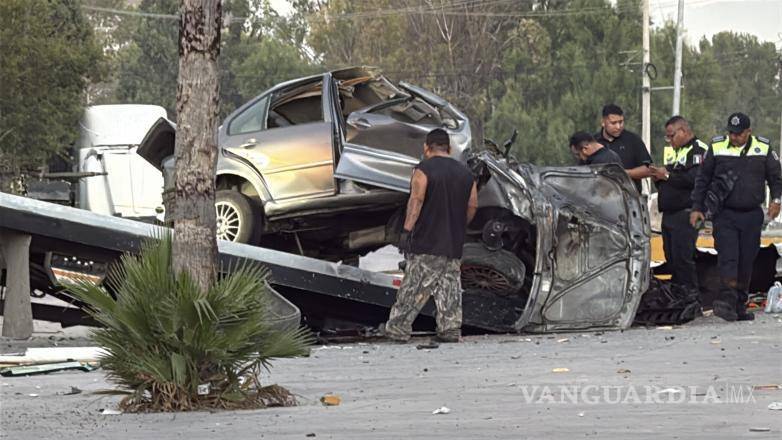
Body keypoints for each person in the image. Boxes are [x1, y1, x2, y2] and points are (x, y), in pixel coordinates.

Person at [380, 128, 478, 343]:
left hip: (427, 240)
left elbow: (416, 201)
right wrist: (459, 225)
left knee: (414, 286)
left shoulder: (423, 170)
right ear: (449, 148)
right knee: (449, 286)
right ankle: (450, 329)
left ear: (426, 147)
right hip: (453, 242)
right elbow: (472, 205)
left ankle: (398, 328)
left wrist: (406, 231)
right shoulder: (466, 174)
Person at [690, 112, 782, 321]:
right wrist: (697, 207)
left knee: (746, 261)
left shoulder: (763, 147)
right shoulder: (717, 147)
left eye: (739, 134)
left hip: (752, 215)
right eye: (731, 133)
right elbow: (702, 179)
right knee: (728, 259)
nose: (734, 137)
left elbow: (776, 178)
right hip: (725, 215)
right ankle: (727, 302)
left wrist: (777, 200)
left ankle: (740, 304)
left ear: (749, 132)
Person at [650, 116, 707, 296]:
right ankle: (677, 296)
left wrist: (666, 176)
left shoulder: (699, 150)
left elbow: (695, 179)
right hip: (670, 213)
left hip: (688, 212)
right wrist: (659, 177)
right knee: (671, 258)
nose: (669, 140)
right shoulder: (676, 151)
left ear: (683, 131)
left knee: (683, 257)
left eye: (671, 135)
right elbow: (672, 179)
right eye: (667, 137)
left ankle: (691, 297)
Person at [596, 104, 654, 193]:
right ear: (603, 122)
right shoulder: (594, 142)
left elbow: (649, 169)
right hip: (600, 197)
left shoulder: (633, 140)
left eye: (621, 122)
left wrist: (623, 173)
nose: (618, 127)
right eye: (613, 123)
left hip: (629, 196)